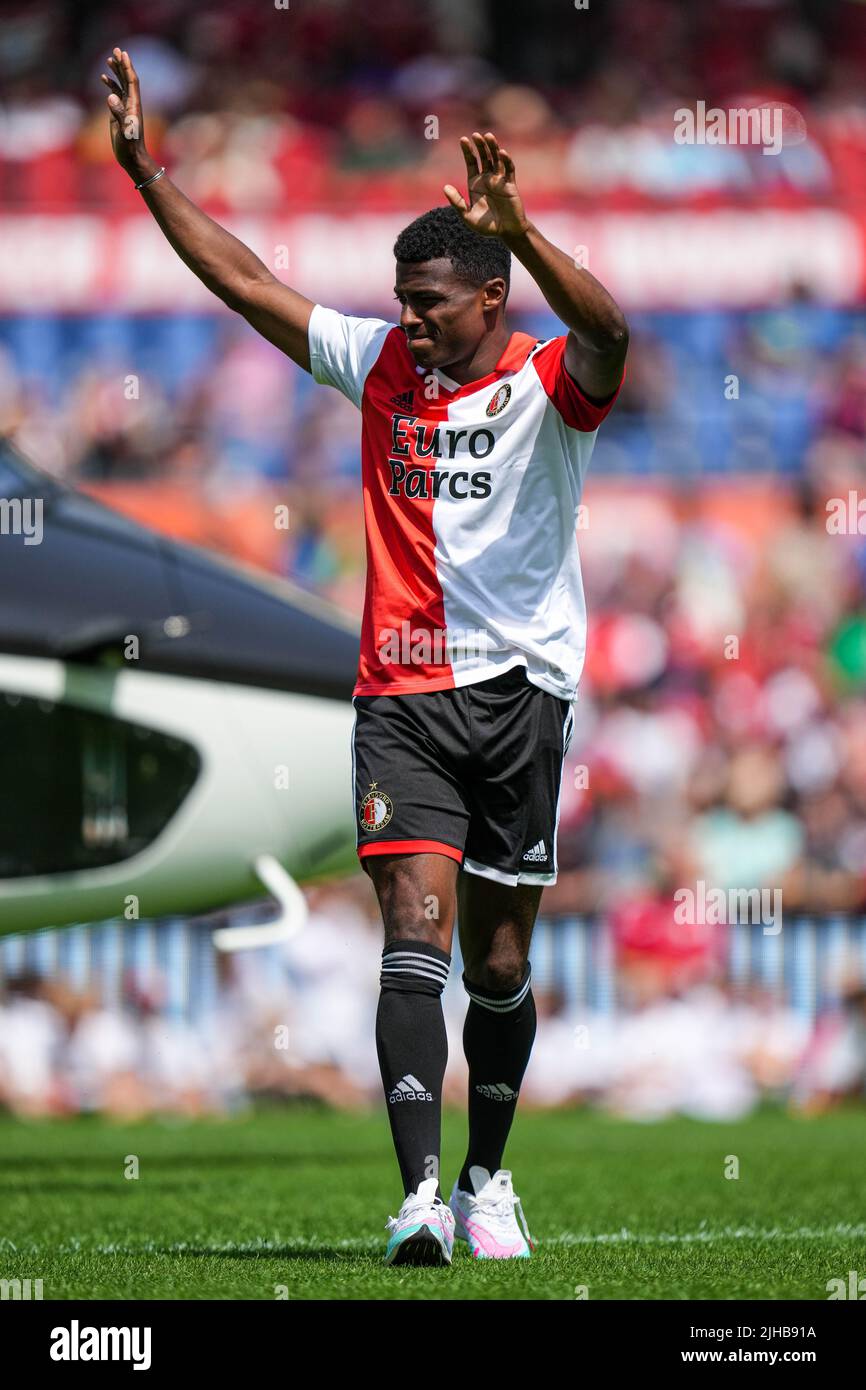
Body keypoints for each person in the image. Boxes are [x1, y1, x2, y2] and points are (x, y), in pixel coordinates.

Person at [102, 47, 628, 1266]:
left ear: (488, 299)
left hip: (521, 697)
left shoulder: (551, 387)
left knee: (500, 955)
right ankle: (415, 1199)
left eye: (428, 304)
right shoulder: (381, 366)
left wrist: (524, 228)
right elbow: (242, 278)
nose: (406, 323)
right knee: (411, 924)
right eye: (397, 302)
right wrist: (145, 173)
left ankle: (489, 1176)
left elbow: (610, 327)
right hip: (400, 694)